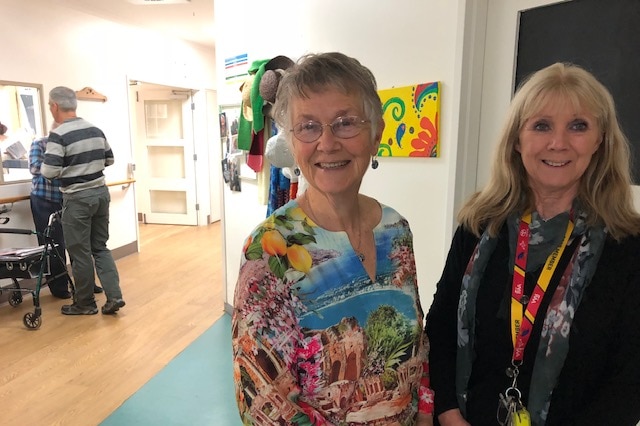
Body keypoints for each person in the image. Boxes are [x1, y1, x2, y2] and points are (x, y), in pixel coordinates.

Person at [426, 62, 640, 426]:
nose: (558, 143)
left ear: (600, 140)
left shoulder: (629, 247)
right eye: (541, 126)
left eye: (578, 126)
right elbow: (442, 328)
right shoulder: (479, 225)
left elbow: (630, 381)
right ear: (516, 139)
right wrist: (448, 415)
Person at [231, 52, 434, 425]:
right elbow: (264, 404)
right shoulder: (270, 250)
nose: (327, 142)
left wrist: (424, 415)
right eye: (307, 126)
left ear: (376, 134)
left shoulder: (395, 228)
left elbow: (416, 345)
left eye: (345, 123)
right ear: (292, 142)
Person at [41, 86, 125, 316]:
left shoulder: (59, 135)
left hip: (77, 198)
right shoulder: (95, 130)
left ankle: (85, 303)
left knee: (79, 253)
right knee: (100, 248)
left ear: (55, 106)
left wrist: (68, 169)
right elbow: (110, 159)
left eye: (50, 106)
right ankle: (114, 296)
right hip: (100, 194)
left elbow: (48, 172)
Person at [29, 122, 104, 299]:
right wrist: (62, 168)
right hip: (45, 200)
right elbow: (34, 167)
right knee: (54, 245)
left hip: (70, 199)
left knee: (79, 243)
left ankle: (86, 284)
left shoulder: (73, 145)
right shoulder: (40, 144)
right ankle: (59, 287)